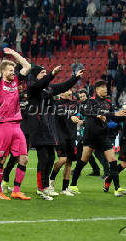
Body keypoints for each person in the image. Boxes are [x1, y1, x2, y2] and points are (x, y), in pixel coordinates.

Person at [69, 80, 126, 196]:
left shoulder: (108, 103)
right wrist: (113, 114)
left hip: (103, 136)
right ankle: (73, 185)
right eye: (102, 87)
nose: (105, 89)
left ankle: (117, 189)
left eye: (106, 87)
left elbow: (115, 118)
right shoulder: (91, 102)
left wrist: (125, 114)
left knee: (113, 161)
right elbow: (92, 113)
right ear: (97, 90)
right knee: (83, 161)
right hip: (91, 136)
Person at [28, 65, 83, 200]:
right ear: (35, 76)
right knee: (43, 158)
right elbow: (40, 84)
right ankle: (40, 188)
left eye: (46, 73)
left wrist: (75, 77)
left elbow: (63, 86)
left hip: (49, 128)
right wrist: (52, 74)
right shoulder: (33, 88)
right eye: (42, 73)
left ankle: (46, 187)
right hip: (38, 128)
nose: (45, 75)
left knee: (51, 158)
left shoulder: (48, 89)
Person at [0, 42, 31, 200]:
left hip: (17, 127)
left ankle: (16, 190)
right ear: (3, 71)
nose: (12, 72)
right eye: (9, 69)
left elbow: (27, 66)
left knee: (24, 158)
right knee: (1, 158)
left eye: (13, 70)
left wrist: (14, 54)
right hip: (4, 127)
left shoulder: (15, 81)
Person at [52, 89, 82, 196]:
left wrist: (78, 119)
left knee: (69, 162)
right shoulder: (56, 104)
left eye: (71, 90)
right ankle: (51, 180)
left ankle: (64, 188)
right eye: (67, 91)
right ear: (61, 93)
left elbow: (79, 115)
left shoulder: (75, 104)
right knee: (62, 160)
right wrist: (70, 116)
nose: (70, 93)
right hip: (60, 136)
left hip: (71, 136)